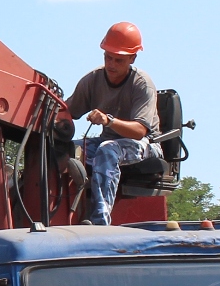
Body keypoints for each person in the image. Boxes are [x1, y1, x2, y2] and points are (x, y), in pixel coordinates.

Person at [62, 21, 161, 224]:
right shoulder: (93, 80)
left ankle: (100, 221)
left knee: (108, 150)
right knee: (66, 149)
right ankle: (63, 214)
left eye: (118, 60)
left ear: (132, 58)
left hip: (146, 145)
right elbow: (67, 112)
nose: (111, 65)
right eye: (108, 58)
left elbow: (139, 131)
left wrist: (108, 120)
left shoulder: (142, 84)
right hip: (109, 142)